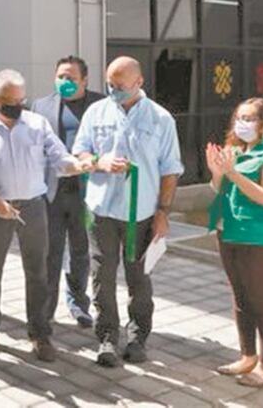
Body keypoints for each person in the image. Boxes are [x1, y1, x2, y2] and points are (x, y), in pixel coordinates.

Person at [0, 69, 89, 363]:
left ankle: (40, 334)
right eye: (12, 101)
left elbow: (60, 160)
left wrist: (84, 164)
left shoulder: (37, 124)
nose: (19, 106)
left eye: (22, 100)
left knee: (38, 272)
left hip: (34, 206)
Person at [74, 56, 183, 367]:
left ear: (139, 82)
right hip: (101, 211)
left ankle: (137, 338)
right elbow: (79, 151)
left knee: (139, 277)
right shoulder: (96, 112)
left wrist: (163, 212)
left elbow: (171, 170)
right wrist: (98, 161)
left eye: (120, 86)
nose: (113, 90)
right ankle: (107, 337)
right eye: (109, 84)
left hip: (142, 214)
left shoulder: (161, 119)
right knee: (102, 275)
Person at [206, 98, 263, 389]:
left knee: (260, 300)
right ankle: (247, 356)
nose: (240, 124)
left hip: (262, 238)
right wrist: (218, 173)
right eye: (238, 118)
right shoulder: (238, 151)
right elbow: (221, 191)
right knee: (241, 298)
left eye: (249, 118)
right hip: (229, 231)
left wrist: (231, 173)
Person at [31, 56, 104, 329]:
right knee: (50, 250)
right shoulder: (41, 106)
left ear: (85, 80)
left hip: (86, 192)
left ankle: (78, 303)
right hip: (52, 191)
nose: (65, 81)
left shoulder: (100, 105)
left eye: (71, 78)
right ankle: (46, 308)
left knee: (80, 250)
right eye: (61, 76)